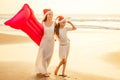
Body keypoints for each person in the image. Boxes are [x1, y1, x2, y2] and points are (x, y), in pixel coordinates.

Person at [35, 9, 55, 77]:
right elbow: (39, 32)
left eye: (52, 14)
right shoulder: (42, 23)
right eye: (49, 14)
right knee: (44, 56)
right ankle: (45, 72)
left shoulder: (54, 23)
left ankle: (44, 69)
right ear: (46, 15)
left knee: (49, 56)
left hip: (51, 42)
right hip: (44, 41)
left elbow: (57, 32)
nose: (50, 16)